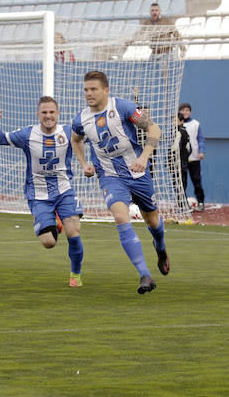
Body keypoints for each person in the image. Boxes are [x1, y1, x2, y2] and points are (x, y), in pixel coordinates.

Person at [70, 70, 169, 294]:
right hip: (110, 177)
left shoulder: (123, 107)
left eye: (93, 89)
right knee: (120, 216)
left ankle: (160, 247)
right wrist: (84, 163)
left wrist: (144, 158)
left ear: (106, 90)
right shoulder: (81, 119)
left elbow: (154, 128)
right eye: (86, 89)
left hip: (137, 173)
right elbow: (75, 140)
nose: (89, 93)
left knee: (153, 221)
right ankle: (144, 275)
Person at [0, 96, 85, 287]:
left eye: (51, 112)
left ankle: (76, 274)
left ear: (58, 114)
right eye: (44, 112)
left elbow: (91, 140)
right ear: (38, 114)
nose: (48, 116)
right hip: (38, 195)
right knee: (49, 242)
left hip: (64, 190)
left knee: (74, 232)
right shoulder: (27, 134)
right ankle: (52, 221)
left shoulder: (68, 132)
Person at [178, 103, 206, 212]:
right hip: (181, 159)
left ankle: (201, 201)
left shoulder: (195, 124)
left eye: (187, 110)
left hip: (194, 158)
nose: (185, 112)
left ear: (190, 112)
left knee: (196, 181)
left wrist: (201, 151)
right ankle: (183, 204)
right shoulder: (176, 124)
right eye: (183, 110)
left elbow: (200, 139)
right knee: (182, 183)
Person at [170, 113, 192, 210]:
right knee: (180, 184)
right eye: (172, 120)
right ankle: (182, 204)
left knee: (180, 184)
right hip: (183, 161)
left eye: (175, 120)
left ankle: (183, 205)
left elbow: (174, 148)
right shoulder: (183, 131)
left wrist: (169, 159)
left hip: (179, 162)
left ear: (181, 121)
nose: (173, 122)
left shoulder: (180, 132)